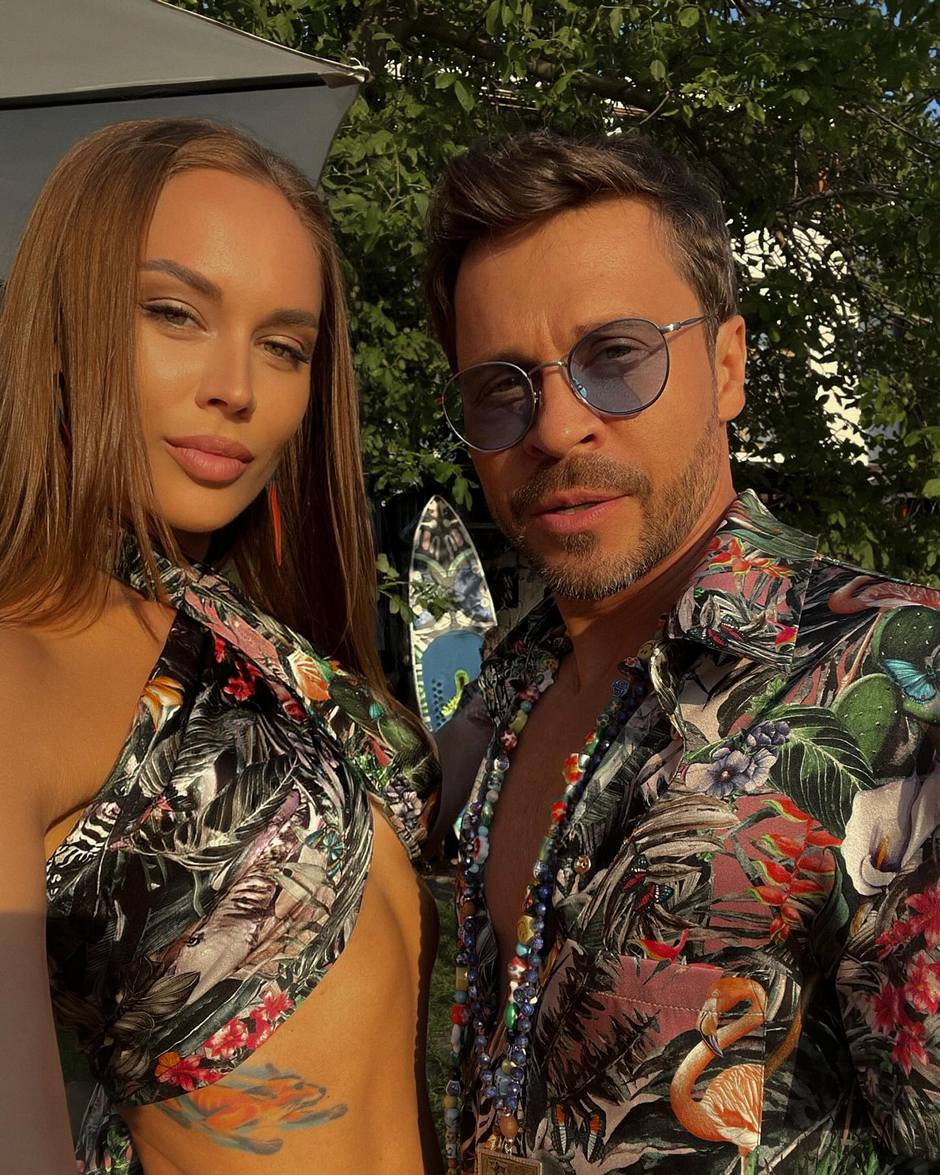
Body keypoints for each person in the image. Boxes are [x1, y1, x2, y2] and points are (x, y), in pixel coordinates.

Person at [425, 129, 940, 1174]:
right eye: (501, 387)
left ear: (728, 364)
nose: (555, 426)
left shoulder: (900, 680)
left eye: (615, 357)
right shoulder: (509, 686)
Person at [0, 118, 442, 1175]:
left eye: (284, 346)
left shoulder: (258, 648)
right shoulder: (21, 671)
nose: (236, 387)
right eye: (174, 313)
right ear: (62, 324)